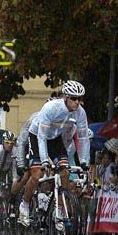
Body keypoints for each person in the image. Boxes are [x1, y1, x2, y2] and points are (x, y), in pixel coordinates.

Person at [19, 80, 90, 225]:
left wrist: (84, 161)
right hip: (37, 135)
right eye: (74, 98)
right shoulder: (51, 108)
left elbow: (83, 138)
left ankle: (60, 209)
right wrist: (44, 159)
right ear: (65, 97)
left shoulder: (80, 113)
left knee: (65, 173)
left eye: (80, 99)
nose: (77, 102)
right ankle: (25, 204)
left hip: (56, 139)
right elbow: (42, 136)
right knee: (37, 174)